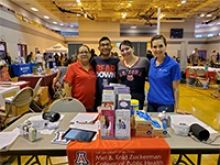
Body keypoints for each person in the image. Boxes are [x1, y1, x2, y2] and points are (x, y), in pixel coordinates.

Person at [147, 34, 181, 112]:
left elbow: (175, 88)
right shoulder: (152, 61)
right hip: (151, 103)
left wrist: (177, 107)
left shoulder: (173, 65)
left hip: (165, 104)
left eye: (160, 46)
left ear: (165, 46)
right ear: (151, 48)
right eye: (155, 47)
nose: (158, 49)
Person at [118, 40, 150, 110]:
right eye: (122, 50)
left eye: (127, 49)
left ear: (133, 49)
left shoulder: (144, 61)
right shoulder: (119, 64)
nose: (125, 52)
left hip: (138, 99)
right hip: (123, 98)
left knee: (136, 118)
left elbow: (151, 79)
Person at [63, 45, 96, 112]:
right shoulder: (72, 67)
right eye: (81, 52)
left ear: (90, 54)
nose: (84, 54)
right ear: (77, 55)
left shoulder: (93, 67)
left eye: (86, 52)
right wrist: (70, 102)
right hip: (77, 105)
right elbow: (67, 85)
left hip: (92, 105)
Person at [91, 36, 120, 109]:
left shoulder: (116, 61)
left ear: (111, 47)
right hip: (98, 97)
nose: (105, 47)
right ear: (99, 48)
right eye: (103, 45)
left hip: (112, 96)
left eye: (107, 44)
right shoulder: (94, 60)